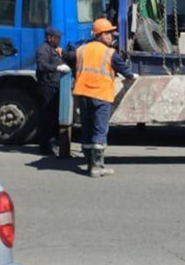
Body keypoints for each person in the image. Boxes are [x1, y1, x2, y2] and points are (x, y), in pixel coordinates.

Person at [73, 18, 137, 177]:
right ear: (100, 34)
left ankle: (89, 164)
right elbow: (123, 69)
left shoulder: (81, 49)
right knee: (100, 130)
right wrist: (132, 75)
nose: (112, 36)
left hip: (83, 94)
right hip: (100, 95)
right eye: (109, 33)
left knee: (87, 129)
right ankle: (97, 167)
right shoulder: (109, 52)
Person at [35, 26, 69, 155]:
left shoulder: (55, 49)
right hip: (47, 87)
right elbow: (42, 65)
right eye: (57, 37)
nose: (59, 40)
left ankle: (52, 143)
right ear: (50, 38)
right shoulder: (43, 49)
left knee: (54, 117)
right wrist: (57, 68)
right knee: (47, 117)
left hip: (55, 86)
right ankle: (46, 146)